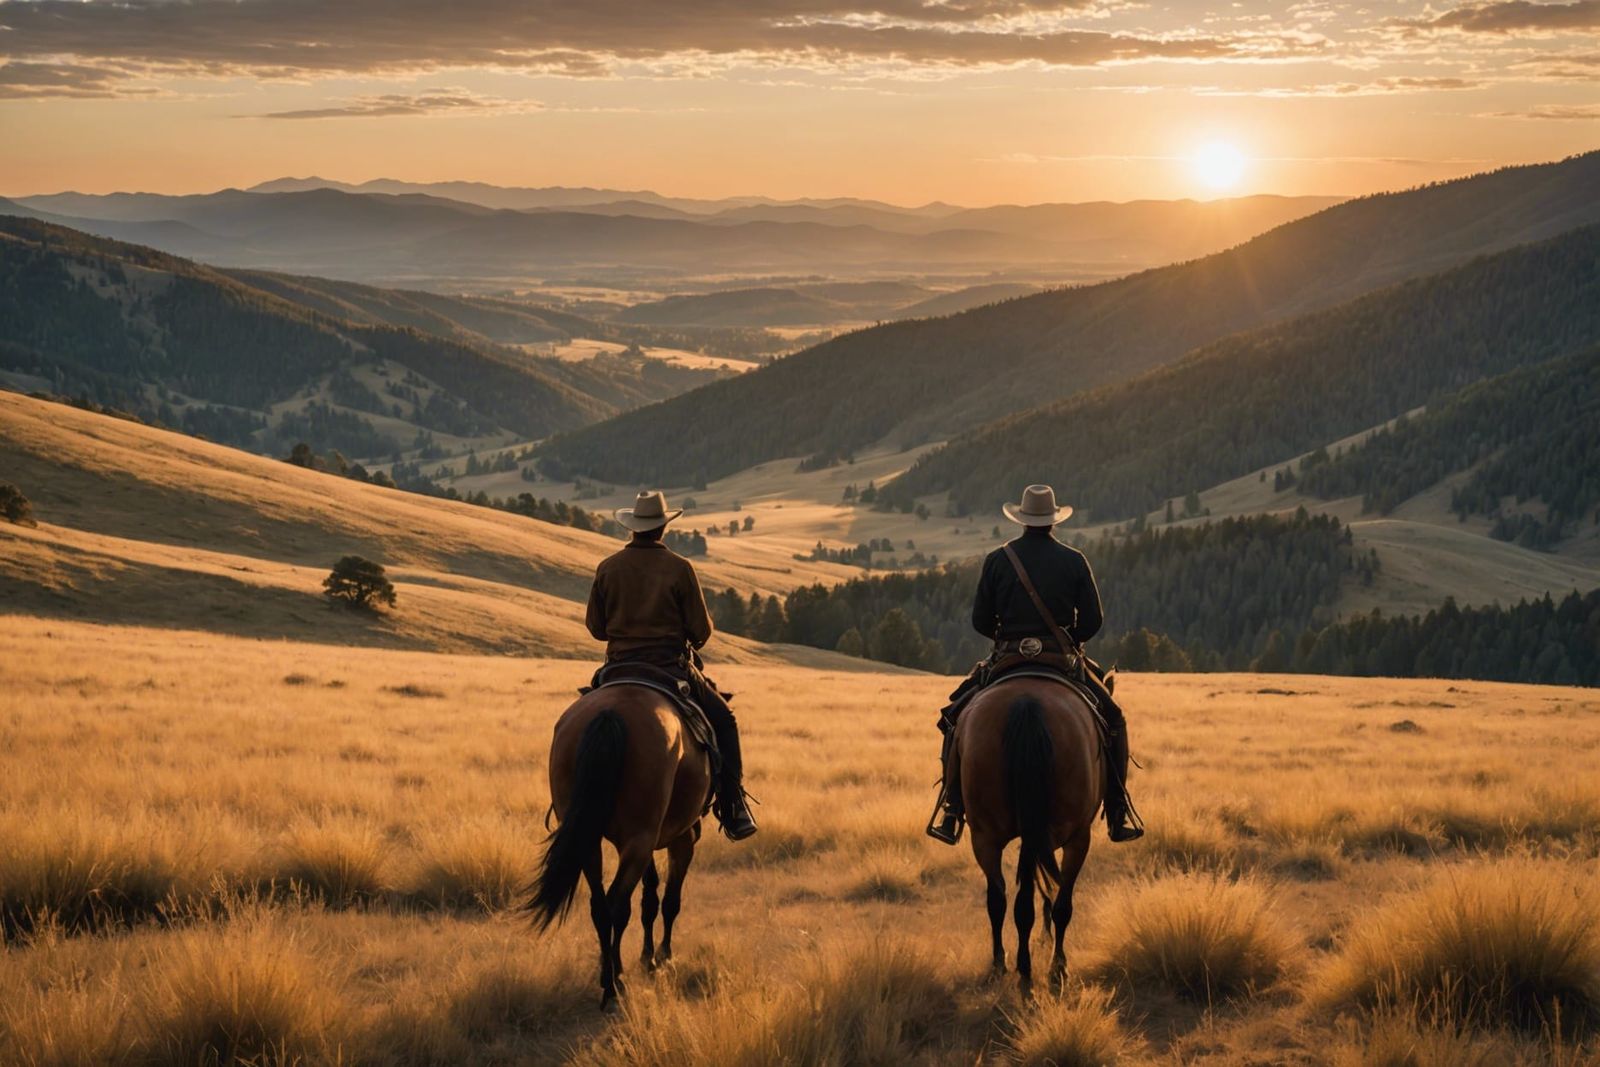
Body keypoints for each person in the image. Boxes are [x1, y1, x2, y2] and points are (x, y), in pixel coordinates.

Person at [927, 484, 1144, 846]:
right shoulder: (1074, 560)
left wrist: (1006, 637)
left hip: (1007, 657)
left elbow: (980, 620)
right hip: (1060, 658)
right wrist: (1070, 640)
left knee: (954, 717)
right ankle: (1118, 809)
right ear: (1054, 520)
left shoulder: (998, 560)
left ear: (1022, 520)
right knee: (1115, 718)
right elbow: (1093, 620)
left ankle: (951, 809)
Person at [585, 490, 758, 841]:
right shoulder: (680, 568)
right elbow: (701, 631)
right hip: (669, 667)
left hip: (617, 668)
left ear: (632, 527)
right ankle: (734, 805)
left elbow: (596, 628)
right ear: (663, 527)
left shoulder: (608, 567)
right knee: (725, 721)